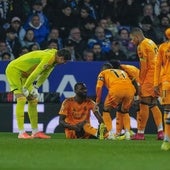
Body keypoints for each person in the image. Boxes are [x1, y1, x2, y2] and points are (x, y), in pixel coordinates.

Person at [5, 48, 71, 139]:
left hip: (25, 74)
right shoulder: (49, 57)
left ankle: (35, 132)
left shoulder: (54, 60)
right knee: (21, 99)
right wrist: (25, 88)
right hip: (14, 70)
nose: (64, 63)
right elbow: (36, 72)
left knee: (33, 100)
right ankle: (21, 132)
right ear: (60, 57)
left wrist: (36, 87)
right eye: (64, 60)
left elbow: (45, 74)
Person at [130, 27, 164, 140]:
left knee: (144, 103)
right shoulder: (151, 42)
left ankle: (140, 133)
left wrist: (140, 80)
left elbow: (144, 66)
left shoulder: (141, 46)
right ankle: (160, 132)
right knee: (153, 103)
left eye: (132, 39)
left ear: (137, 36)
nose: (132, 42)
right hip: (158, 75)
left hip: (149, 76)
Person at [95, 63, 136, 140]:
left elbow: (99, 87)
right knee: (125, 111)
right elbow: (133, 81)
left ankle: (110, 134)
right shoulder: (121, 71)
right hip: (130, 90)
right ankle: (127, 134)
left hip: (116, 89)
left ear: (103, 69)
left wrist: (97, 101)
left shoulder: (103, 73)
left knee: (106, 110)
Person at [110, 59, 139, 137]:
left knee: (124, 109)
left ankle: (129, 131)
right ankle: (120, 132)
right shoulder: (116, 72)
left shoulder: (128, 71)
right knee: (120, 108)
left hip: (139, 81)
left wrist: (136, 98)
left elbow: (135, 83)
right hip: (127, 87)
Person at [154, 28, 170, 150]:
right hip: (166, 82)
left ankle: (166, 139)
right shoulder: (162, 48)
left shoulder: (163, 48)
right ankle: (166, 139)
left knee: (168, 110)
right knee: (167, 109)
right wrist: (156, 83)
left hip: (166, 81)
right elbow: (157, 66)